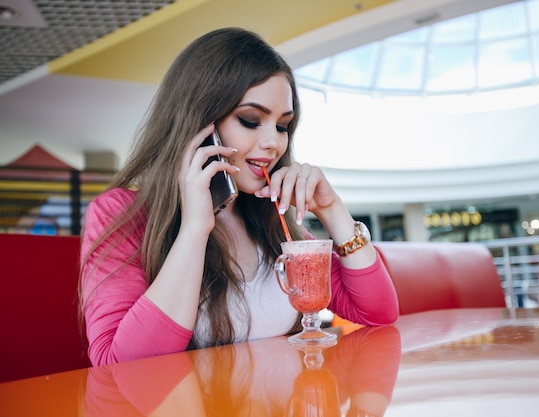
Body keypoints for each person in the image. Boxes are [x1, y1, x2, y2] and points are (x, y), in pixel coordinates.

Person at [79, 27, 399, 367]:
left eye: (282, 126)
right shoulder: (119, 214)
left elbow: (378, 313)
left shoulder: (270, 216)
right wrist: (194, 230)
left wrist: (333, 209)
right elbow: (118, 365)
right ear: (199, 121)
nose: (274, 143)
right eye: (250, 120)